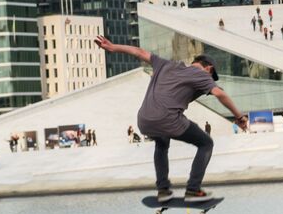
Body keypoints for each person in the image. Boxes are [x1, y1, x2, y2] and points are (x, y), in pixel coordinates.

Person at [95, 35, 248, 203]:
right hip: (168, 119)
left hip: (144, 120)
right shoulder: (202, 74)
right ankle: (193, 190)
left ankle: (163, 190)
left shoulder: (165, 64)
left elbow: (139, 52)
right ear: (209, 68)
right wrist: (239, 116)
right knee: (206, 143)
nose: (209, 81)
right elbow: (220, 94)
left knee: (161, 143)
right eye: (211, 76)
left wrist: (112, 47)